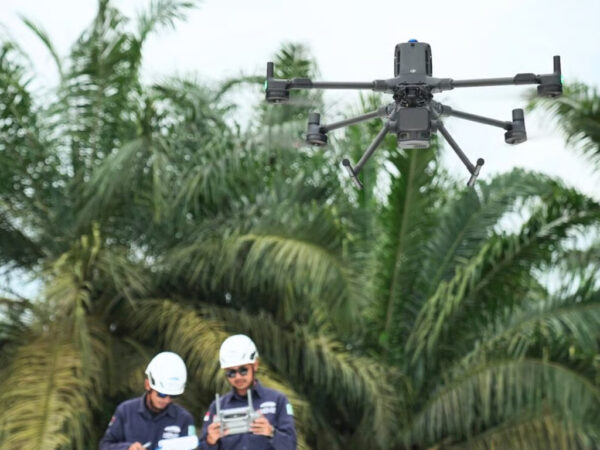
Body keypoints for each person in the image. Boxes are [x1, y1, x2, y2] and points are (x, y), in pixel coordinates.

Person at [199, 334, 297, 450]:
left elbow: (291, 445)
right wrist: (210, 441)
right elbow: (202, 447)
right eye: (231, 372)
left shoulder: (277, 400)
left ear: (255, 365)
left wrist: (271, 432)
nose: (238, 377)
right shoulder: (217, 406)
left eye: (243, 370)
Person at [100, 351, 197, 450]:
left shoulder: (184, 419)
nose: (167, 400)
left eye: (173, 396)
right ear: (147, 385)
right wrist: (127, 448)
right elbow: (105, 446)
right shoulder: (125, 411)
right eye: (161, 394)